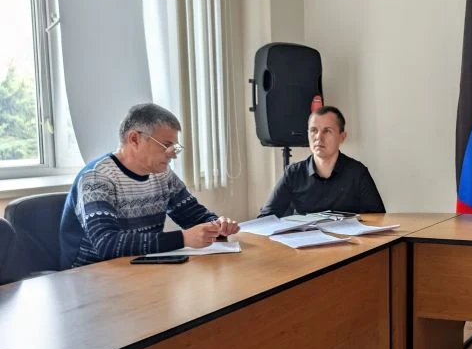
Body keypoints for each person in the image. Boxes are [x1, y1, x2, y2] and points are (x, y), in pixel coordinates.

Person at [60, 103, 240, 268]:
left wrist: (218, 226)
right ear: (134, 139)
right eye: (166, 145)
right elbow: (107, 244)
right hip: (92, 274)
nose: (172, 154)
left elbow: (194, 216)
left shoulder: (163, 175)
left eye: (175, 147)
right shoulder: (96, 178)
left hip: (141, 267)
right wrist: (183, 238)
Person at [259, 106, 385, 217]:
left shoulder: (357, 173)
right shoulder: (293, 174)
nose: (319, 137)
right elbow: (266, 218)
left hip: (346, 236)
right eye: (314, 130)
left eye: (327, 131)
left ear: (342, 137)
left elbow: (379, 218)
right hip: (306, 236)